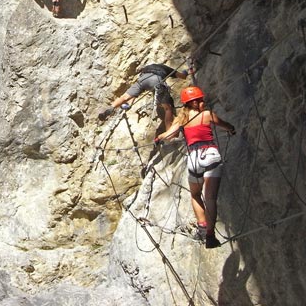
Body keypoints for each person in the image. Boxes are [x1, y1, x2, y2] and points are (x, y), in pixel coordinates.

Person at [155, 86, 236, 249]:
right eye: (201, 100)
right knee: (211, 198)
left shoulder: (181, 120)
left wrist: (158, 138)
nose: (203, 102)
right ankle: (210, 236)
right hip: (211, 156)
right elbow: (225, 125)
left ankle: (202, 225)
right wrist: (231, 129)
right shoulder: (207, 115)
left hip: (193, 159)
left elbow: (169, 134)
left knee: (195, 195)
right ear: (195, 102)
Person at [97, 63, 192, 132]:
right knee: (168, 109)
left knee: (125, 96)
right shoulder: (165, 68)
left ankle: (111, 107)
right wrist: (186, 72)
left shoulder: (147, 68)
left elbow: (134, 94)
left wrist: (129, 104)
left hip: (143, 79)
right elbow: (182, 76)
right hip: (156, 79)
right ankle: (169, 134)